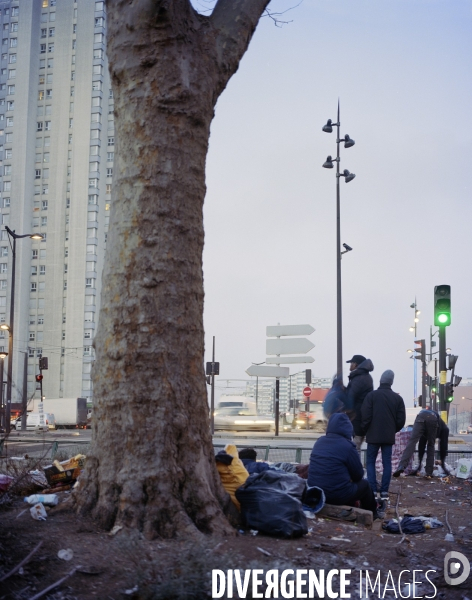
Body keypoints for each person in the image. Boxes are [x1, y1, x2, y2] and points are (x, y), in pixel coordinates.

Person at [308, 412, 379, 517]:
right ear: (348, 429)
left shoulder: (319, 442)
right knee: (365, 485)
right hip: (336, 495)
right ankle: (373, 514)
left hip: (316, 492)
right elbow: (358, 475)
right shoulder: (348, 446)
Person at [361, 370, 406, 509]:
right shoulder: (397, 399)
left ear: (380, 380)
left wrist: (365, 429)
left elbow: (365, 415)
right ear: (391, 382)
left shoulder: (372, 396)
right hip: (388, 436)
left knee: (370, 462)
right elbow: (401, 420)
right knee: (387, 463)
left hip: (373, 436)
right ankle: (385, 491)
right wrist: (393, 430)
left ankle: (373, 490)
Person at [393, 407, 438, 478]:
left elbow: (421, 442)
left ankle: (401, 466)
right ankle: (429, 472)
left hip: (420, 417)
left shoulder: (422, 412)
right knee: (431, 445)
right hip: (433, 419)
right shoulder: (436, 417)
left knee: (412, 442)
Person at [345, 354, 374, 453]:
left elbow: (351, 396)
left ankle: (355, 467)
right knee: (355, 446)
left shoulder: (359, 378)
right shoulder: (363, 376)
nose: (350, 365)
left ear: (356, 364)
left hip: (357, 416)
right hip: (360, 415)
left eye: (351, 363)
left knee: (355, 447)